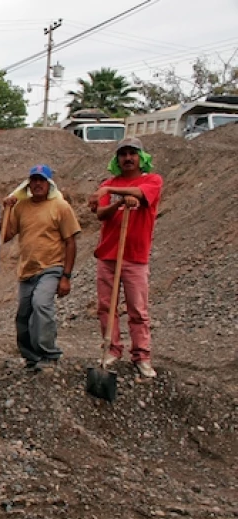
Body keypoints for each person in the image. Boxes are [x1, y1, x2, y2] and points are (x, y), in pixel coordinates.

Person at [88, 137, 163, 378]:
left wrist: (111, 191)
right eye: (123, 154)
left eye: (133, 153)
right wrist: (119, 202)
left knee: (137, 309)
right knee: (106, 306)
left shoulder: (152, 180)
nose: (128, 158)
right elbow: (100, 213)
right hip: (108, 254)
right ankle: (112, 348)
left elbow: (142, 194)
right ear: (117, 159)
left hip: (135, 256)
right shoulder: (109, 183)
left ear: (141, 158)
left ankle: (141, 355)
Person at [3, 165, 81, 370]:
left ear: (49, 184)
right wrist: (7, 209)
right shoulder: (21, 207)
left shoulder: (60, 206)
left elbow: (71, 242)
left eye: (42, 180)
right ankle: (31, 357)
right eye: (34, 180)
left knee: (41, 305)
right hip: (27, 270)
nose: (37, 184)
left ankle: (49, 354)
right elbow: (6, 236)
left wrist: (66, 276)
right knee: (23, 315)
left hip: (51, 267)